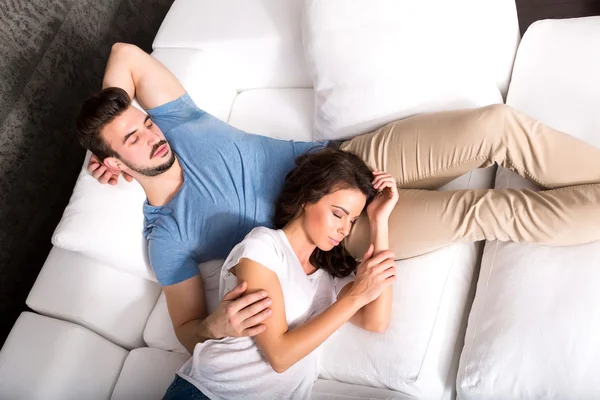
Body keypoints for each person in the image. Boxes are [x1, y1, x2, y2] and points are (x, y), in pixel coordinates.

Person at [77, 43, 600, 356]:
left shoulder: (175, 121)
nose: (152, 136)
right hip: (344, 225)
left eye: (143, 122)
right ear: (119, 166)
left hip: (350, 157)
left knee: (497, 125)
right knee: (486, 212)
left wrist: (111, 122)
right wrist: (216, 326)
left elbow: (125, 54)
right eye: (133, 141)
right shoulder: (165, 234)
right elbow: (187, 330)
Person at [164, 148, 398, 399]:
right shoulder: (262, 247)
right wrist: (355, 297)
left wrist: (378, 220)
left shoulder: (327, 279)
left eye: (352, 221)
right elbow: (279, 356)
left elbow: (376, 321)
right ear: (308, 198)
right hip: (209, 392)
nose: (344, 229)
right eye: (338, 214)